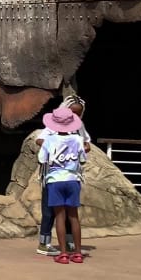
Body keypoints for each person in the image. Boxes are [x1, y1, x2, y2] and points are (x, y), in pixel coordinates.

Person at [35, 94, 90, 255]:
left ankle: (68, 243)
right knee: (50, 210)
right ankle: (44, 242)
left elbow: (86, 143)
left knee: (68, 213)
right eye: (72, 112)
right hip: (52, 176)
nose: (75, 116)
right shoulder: (53, 128)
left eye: (78, 113)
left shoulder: (79, 128)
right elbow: (40, 140)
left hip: (69, 176)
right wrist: (57, 147)